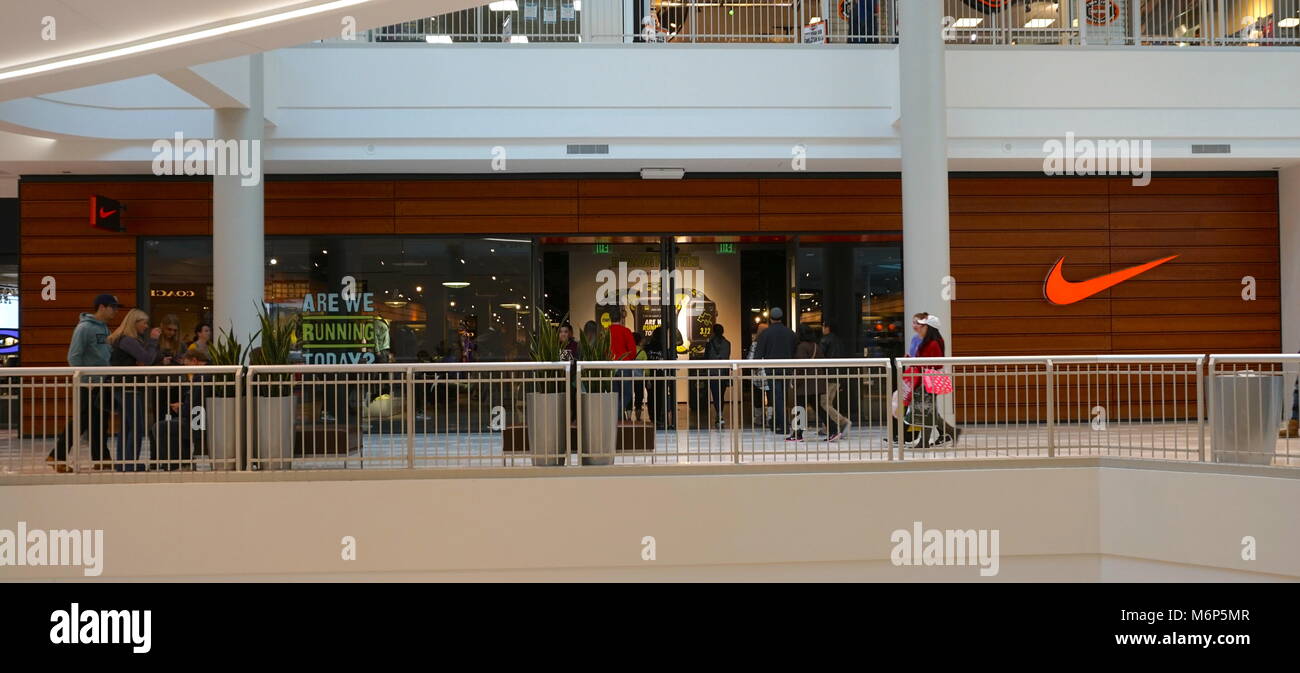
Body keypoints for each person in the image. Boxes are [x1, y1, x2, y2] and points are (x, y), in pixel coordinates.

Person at [47, 294, 121, 472]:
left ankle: (101, 457)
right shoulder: (84, 328)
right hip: (89, 384)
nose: (115, 311)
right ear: (102, 307)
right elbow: (74, 356)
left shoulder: (104, 328)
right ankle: (57, 456)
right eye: (113, 307)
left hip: (101, 382)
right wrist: (85, 378)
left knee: (99, 421)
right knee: (81, 421)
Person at [108, 309, 160, 472]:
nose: (146, 326)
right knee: (136, 426)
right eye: (144, 322)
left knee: (128, 426)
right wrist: (152, 341)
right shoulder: (128, 341)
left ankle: (124, 462)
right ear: (135, 323)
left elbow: (142, 359)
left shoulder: (123, 340)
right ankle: (129, 463)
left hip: (124, 386)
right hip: (128, 387)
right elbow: (147, 358)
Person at [902, 314, 959, 447]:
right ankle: (950, 432)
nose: (920, 328)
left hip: (927, 381)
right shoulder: (930, 342)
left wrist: (913, 362)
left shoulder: (933, 343)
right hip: (925, 380)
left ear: (930, 327)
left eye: (923, 325)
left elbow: (934, 364)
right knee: (928, 411)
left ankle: (924, 442)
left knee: (926, 411)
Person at [755, 307, 796, 434]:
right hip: (787, 369)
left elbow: (758, 354)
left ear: (770, 319)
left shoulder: (766, 334)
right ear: (781, 317)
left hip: (772, 369)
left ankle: (783, 425)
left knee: (777, 397)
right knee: (783, 396)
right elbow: (795, 350)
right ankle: (780, 422)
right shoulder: (790, 333)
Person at [786, 326, 820, 442]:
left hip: (805, 384)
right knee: (819, 408)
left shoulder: (801, 347)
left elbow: (801, 366)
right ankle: (834, 429)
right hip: (816, 382)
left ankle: (797, 435)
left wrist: (796, 381)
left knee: (800, 408)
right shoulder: (816, 346)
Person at [819, 321, 852, 442]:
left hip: (828, 375)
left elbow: (820, 357)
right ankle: (826, 428)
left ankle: (843, 422)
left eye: (823, 326)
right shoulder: (839, 341)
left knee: (823, 403)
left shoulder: (825, 340)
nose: (822, 328)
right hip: (838, 375)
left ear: (827, 327)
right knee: (828, 402)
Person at [608, 307, 637, 418]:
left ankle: (617, 417)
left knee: (615, 394)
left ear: (610, 318)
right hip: (624, 365)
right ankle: (619, 412)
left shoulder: (606, 332)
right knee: (627, 393)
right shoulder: (626, 331)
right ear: (621, 318)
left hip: (610, 367)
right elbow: (633, 351)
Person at [703, 324, 731, 430]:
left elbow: (705, 358)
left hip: (713, 372)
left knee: (715, 395)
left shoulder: (709, 343)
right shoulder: (728, 343)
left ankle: (719, 415)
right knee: (721, 395)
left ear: (713, 332)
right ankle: (720, 414)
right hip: (723, 373)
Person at [748, 321, 771, 428]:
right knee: (771, 399)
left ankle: (758, 420)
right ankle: (770, 419)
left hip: (757, 376)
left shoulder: (755, 343)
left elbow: (750, 360)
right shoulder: (772, 343)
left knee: (758, 399)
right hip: (770, 374)